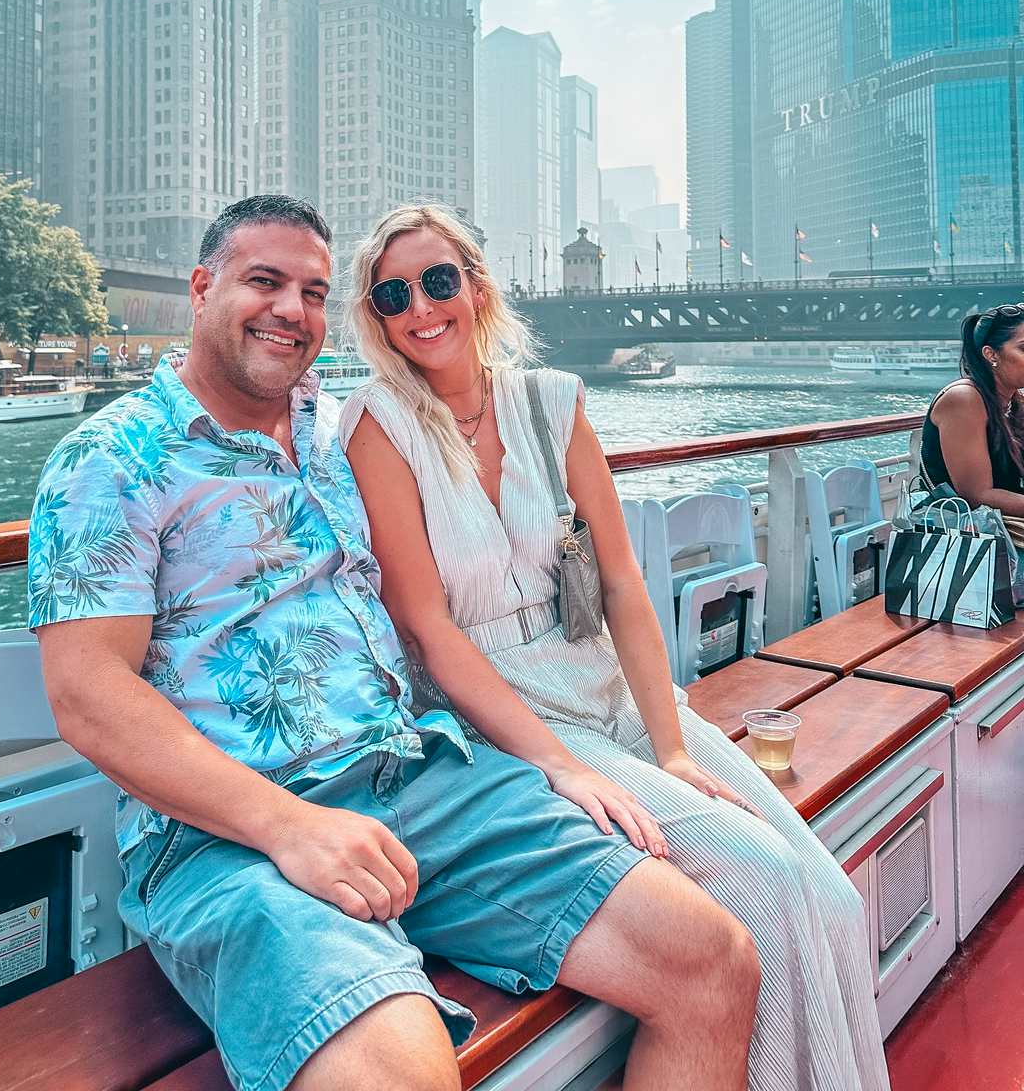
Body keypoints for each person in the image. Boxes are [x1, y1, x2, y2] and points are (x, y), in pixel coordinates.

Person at [27, 194, 760, 1091]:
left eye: (313, 291)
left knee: (711, 959)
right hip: (233, 829)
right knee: (401, 1077)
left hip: (417, 773)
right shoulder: (112, 457)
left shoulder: (340, 435)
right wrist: (289, 827)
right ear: (201, 286)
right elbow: (87, 695)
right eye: (264, 281)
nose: (290, 311)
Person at [340, 203, 890, 1091]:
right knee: (763, 878)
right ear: (378, 315)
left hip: (608, 686)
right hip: (503, 712)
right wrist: (565, 767)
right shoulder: (379, 425)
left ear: (476, 287)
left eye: (438, 281)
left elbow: (626, 584)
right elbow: (429, 631)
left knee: (826, 893)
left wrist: (669, 743)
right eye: (393, 294)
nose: (420, 307)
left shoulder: (553, 403)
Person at [923, 305, 1024, 552]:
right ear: (991, 355)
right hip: (970, 539)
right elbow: (977, 495)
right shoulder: (964, 399)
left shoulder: (1014, 401)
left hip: (1006, 529)